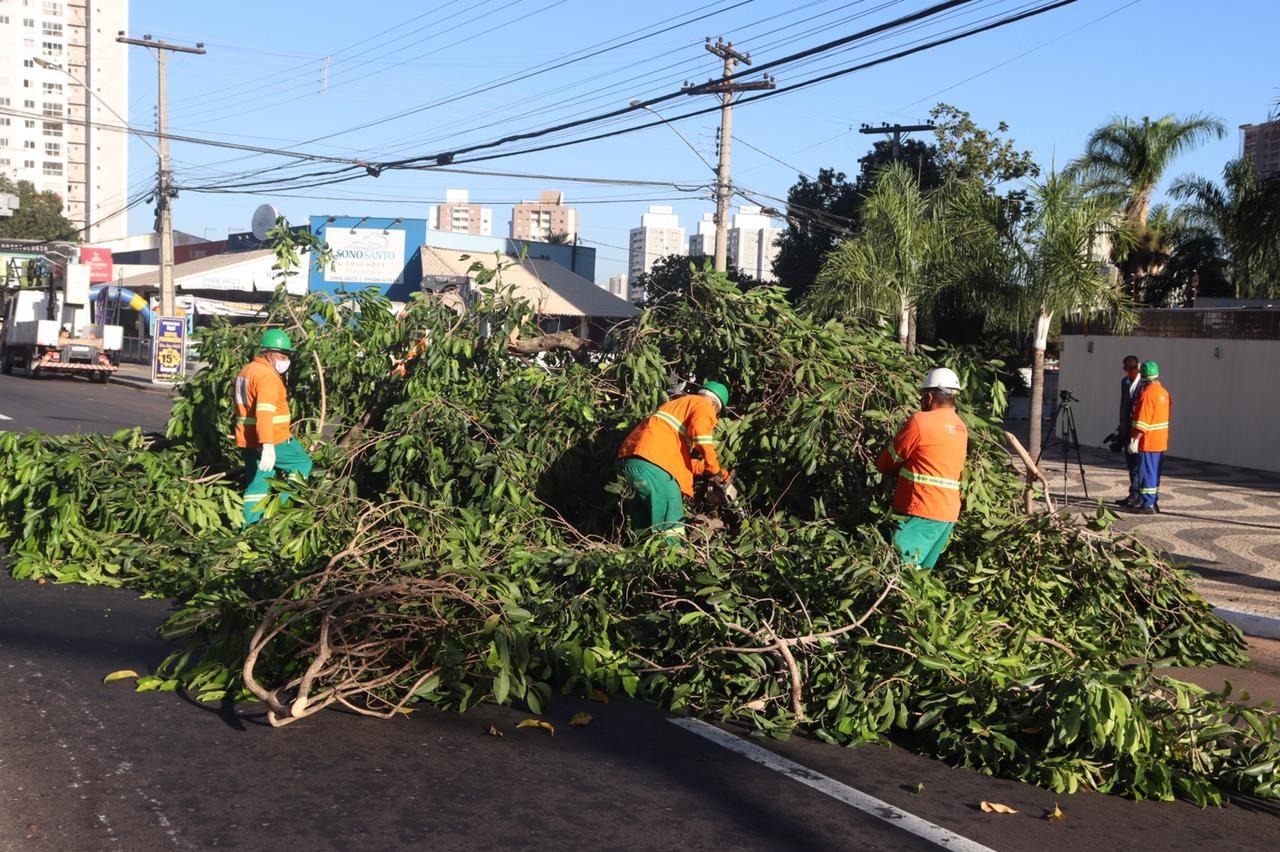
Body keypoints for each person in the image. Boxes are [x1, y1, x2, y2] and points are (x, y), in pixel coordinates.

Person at [876, 367, 969, 568]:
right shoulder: (960, 426)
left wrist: (883, 467)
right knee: (920, 576)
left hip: (922, 508)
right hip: (946, 513)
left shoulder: (921, 421)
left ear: (928, 397)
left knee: (898, 569)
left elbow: (890, 459)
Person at [616, 380, 731, 540]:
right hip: (655, 466)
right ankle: (675, 561)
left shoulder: (676, 406)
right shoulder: (704, 405)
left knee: (644, 530)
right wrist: (714, 469)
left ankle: (642, 560)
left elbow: (676, 458)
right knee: (671, 527)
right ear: (714, 404)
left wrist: (705, 469)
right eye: (717, 414)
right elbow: (701, 434)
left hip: (630, 463)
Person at [234, 329, 313, 527]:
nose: (286, 361)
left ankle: (249, 528)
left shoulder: (247, 370)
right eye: (283, 356)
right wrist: (268, 445)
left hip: (248, 439)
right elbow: (264, 413)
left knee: (258, 483)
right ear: (269, 354)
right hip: (273, 438)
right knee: (302, 464)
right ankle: (278, 511)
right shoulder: (267, 376)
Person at [1127, 359, 1170, 515]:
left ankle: (1148, 504)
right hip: (1160, 440)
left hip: (1148, 441)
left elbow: (1142, 421)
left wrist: (1135, 440)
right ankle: (1153, 501)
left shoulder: (1147, 395)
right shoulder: (1163, 393)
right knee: (1154, 473)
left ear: (1143, 376)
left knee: (1147, 473)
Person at [1110, 355, 1143, 507]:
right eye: (1127, 369)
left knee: (1138, 464)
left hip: (1138, 429)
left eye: (1133, 369)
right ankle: (1133, 493)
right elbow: (1123, 405)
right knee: (1131, 464)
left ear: (1138, 367)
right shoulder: (1124, 382)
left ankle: (1138, 495)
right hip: (1126, 429)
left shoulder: (1144, 384)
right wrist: (1120, 427)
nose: (1131, 372)